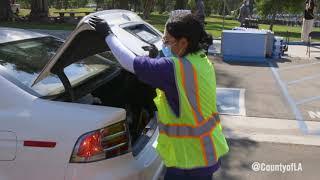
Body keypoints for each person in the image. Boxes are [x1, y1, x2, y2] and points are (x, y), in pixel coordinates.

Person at [89, 13, 229, 180]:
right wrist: (158, 57)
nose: (165, 45)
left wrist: (108, 35)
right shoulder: (201, 60)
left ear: (184, 42)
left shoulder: (173, 69)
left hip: (188, 160)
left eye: (168, 41)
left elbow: (129, 63)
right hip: (205, 152)